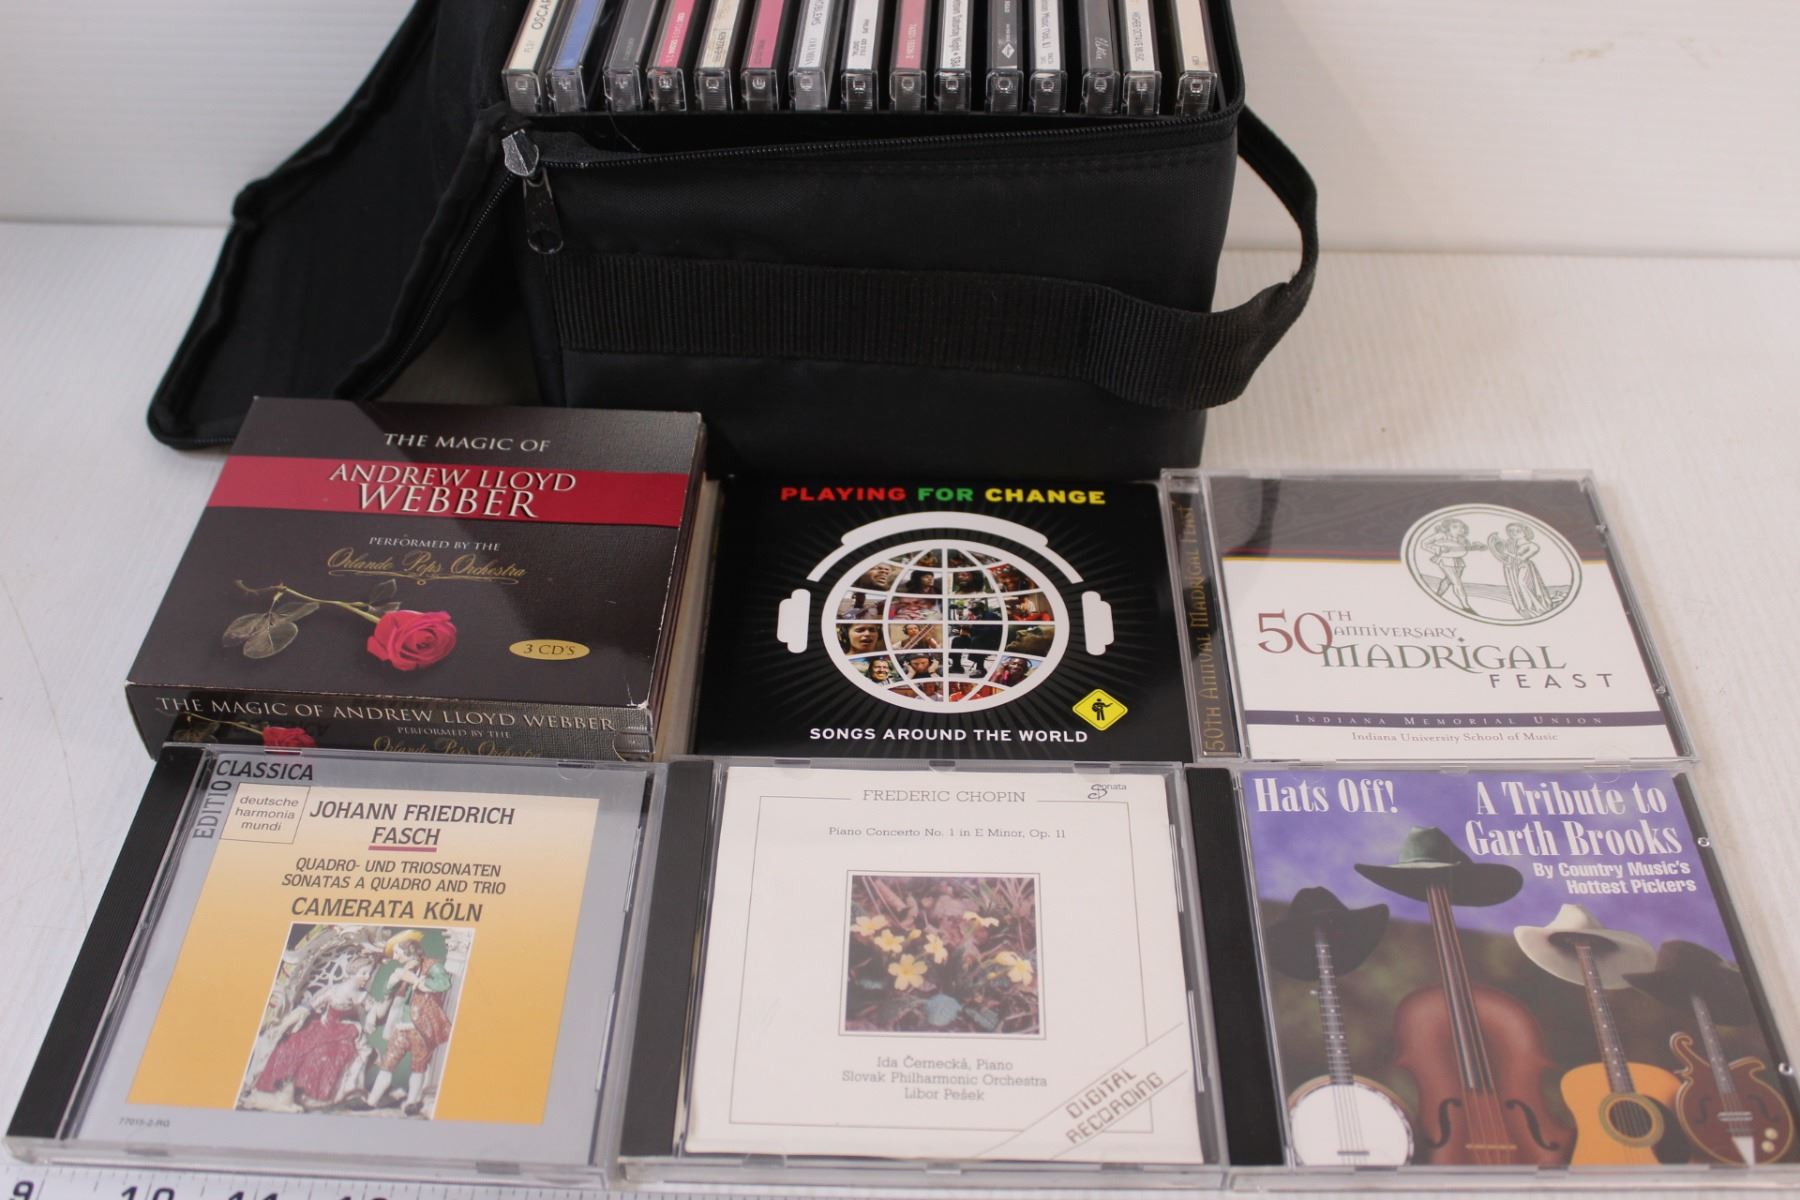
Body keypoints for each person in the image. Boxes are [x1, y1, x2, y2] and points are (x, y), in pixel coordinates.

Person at [248, 957, 378, 1110]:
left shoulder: (362, 995)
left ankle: (314, 1098)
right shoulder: (335, 990)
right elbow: (312, 1004)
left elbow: (376, 1011)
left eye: (369, 974)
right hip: (323, 1025)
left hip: (346, 1031)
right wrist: (292, 1020)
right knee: (294, 1046)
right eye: (364, 973)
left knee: (328, 1055)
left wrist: (380, 1004)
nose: (367, 977)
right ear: (353, 973)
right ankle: (283, 1091)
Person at [359, 932, 454, 1117]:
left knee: (418, 1067)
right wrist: (393, 982)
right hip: (401, 1025)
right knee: (388, 1063)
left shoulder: (431, 965)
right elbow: (388, 993)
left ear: (409, 950)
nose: (395, 957)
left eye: (397, 952)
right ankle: (371, 1101)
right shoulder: (402, 970)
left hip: (422, 1027)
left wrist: (416, 981)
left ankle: (411, 1102)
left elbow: (444, 984)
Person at [1487, 522, 1555, 617]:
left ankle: (1535, 606)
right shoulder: (1509, 544)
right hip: (1511, 568)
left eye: (1517, 531)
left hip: (1524, 567)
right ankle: (1525, 607)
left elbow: (1522, 558)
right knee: (1517, 587)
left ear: (1525, 532)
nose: (1513, 533)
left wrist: (1507, 553)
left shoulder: (1532, 546)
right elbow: (1502, 554)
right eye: (1510, 531)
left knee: (1523, 584)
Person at [1421, 517, 1480, 612]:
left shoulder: (1462, 539)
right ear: (1447, 527)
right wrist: (1437, 548)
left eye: (1461, 527)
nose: (1459, 529)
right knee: (1457, 583)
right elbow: (1424, 543)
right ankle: (1466, 606)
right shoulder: (1441, 535)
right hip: (1446, 560)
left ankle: (1437, 596)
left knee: (1448, 581)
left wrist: (1476, 547)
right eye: (1455, 527)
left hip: (1458, 561)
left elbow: (1464, 549)